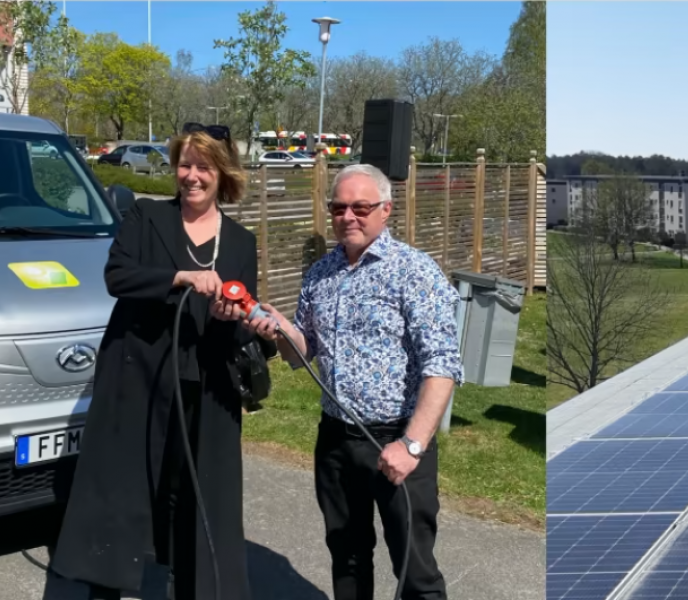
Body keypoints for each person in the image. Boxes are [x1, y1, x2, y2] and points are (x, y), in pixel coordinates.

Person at [50, 123, 259, 600]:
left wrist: (234, 315)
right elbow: (117, 276)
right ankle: (106, 582)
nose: (191, 176)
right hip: (138, 378)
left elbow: (244, 315)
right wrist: (180, 278)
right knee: (123, 491)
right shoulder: (146, 218)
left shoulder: (242, 242)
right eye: (185, 164)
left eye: (203, 167)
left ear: (221, 173)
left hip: (206, 385)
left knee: (199, 497)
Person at [243, 163, 463, 600]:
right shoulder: (321, 273)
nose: (348, 217)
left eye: (360, 207)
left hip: (397, 442)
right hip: (337, 444)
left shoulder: (414, 271)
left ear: (386, 210)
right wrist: (281, 330)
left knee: (414, 571)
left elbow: (443, 364)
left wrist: (413, 445)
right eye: (338, 207)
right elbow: (302, 353)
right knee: (347, 559)